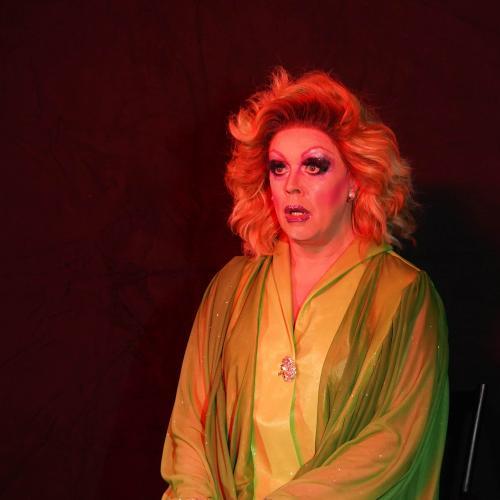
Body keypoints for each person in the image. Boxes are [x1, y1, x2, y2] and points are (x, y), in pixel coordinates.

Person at [160, 68, 448, 499]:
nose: (292, 185)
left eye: (314, 166)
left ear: (356, 179)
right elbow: (190, 432)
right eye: (279, 168)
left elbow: (388, 446)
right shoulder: (232, 288)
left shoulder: (403, 295)